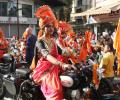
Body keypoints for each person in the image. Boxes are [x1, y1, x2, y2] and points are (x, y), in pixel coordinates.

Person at [31, 5, 76, 100]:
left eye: (52, 26)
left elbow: (62, 53)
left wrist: (73, 52)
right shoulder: (40, 41)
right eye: (48, 26)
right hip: (44, 71)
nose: (51, 28)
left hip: (57, 68)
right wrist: (61, 64)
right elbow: (46, 56)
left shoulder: (53, 41)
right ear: (43, 28)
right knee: (56, 90)